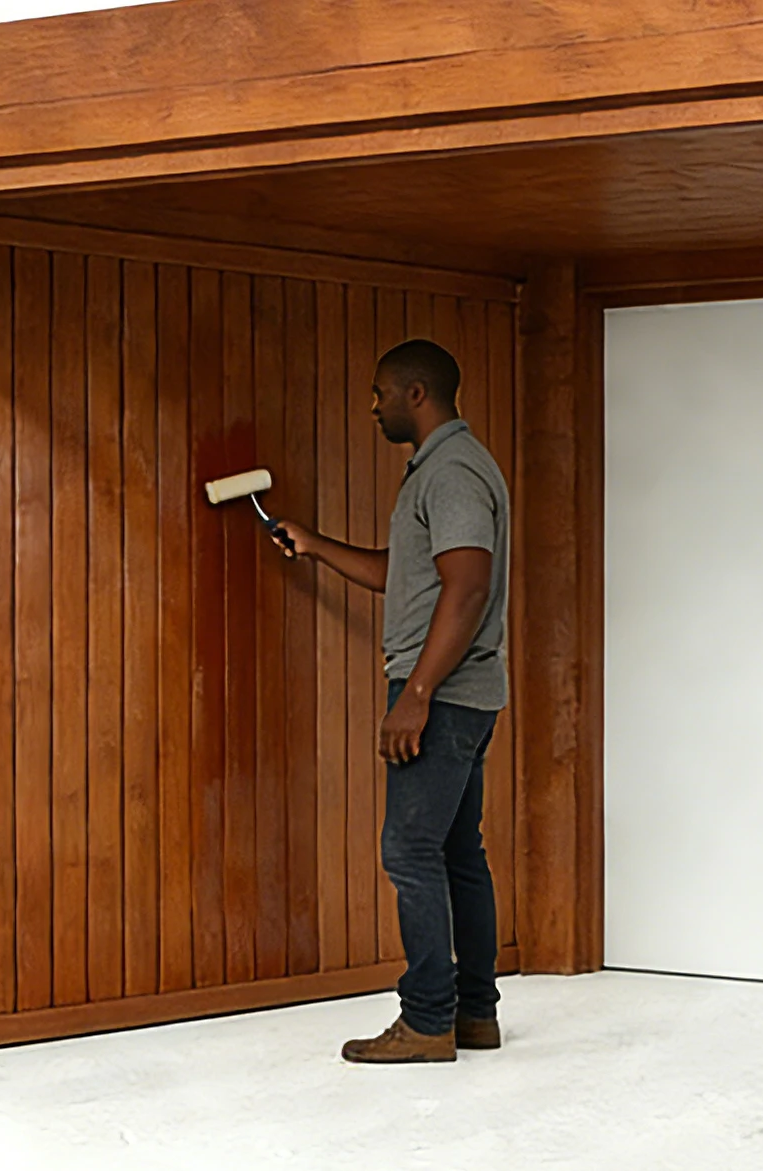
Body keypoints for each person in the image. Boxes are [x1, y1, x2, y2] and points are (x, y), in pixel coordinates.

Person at [267, 337, 512, 1064]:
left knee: (409, 850)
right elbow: (407, 575)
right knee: (457, 852)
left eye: (379, 393)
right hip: (461, 695)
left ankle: (428, 1019)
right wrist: (313, 544)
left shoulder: (455, 472)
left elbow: (467, 585)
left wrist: (416, 695)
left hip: (443, 695)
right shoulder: (441, 471)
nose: (371, 406)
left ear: (416, 394)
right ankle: (475, 1015)